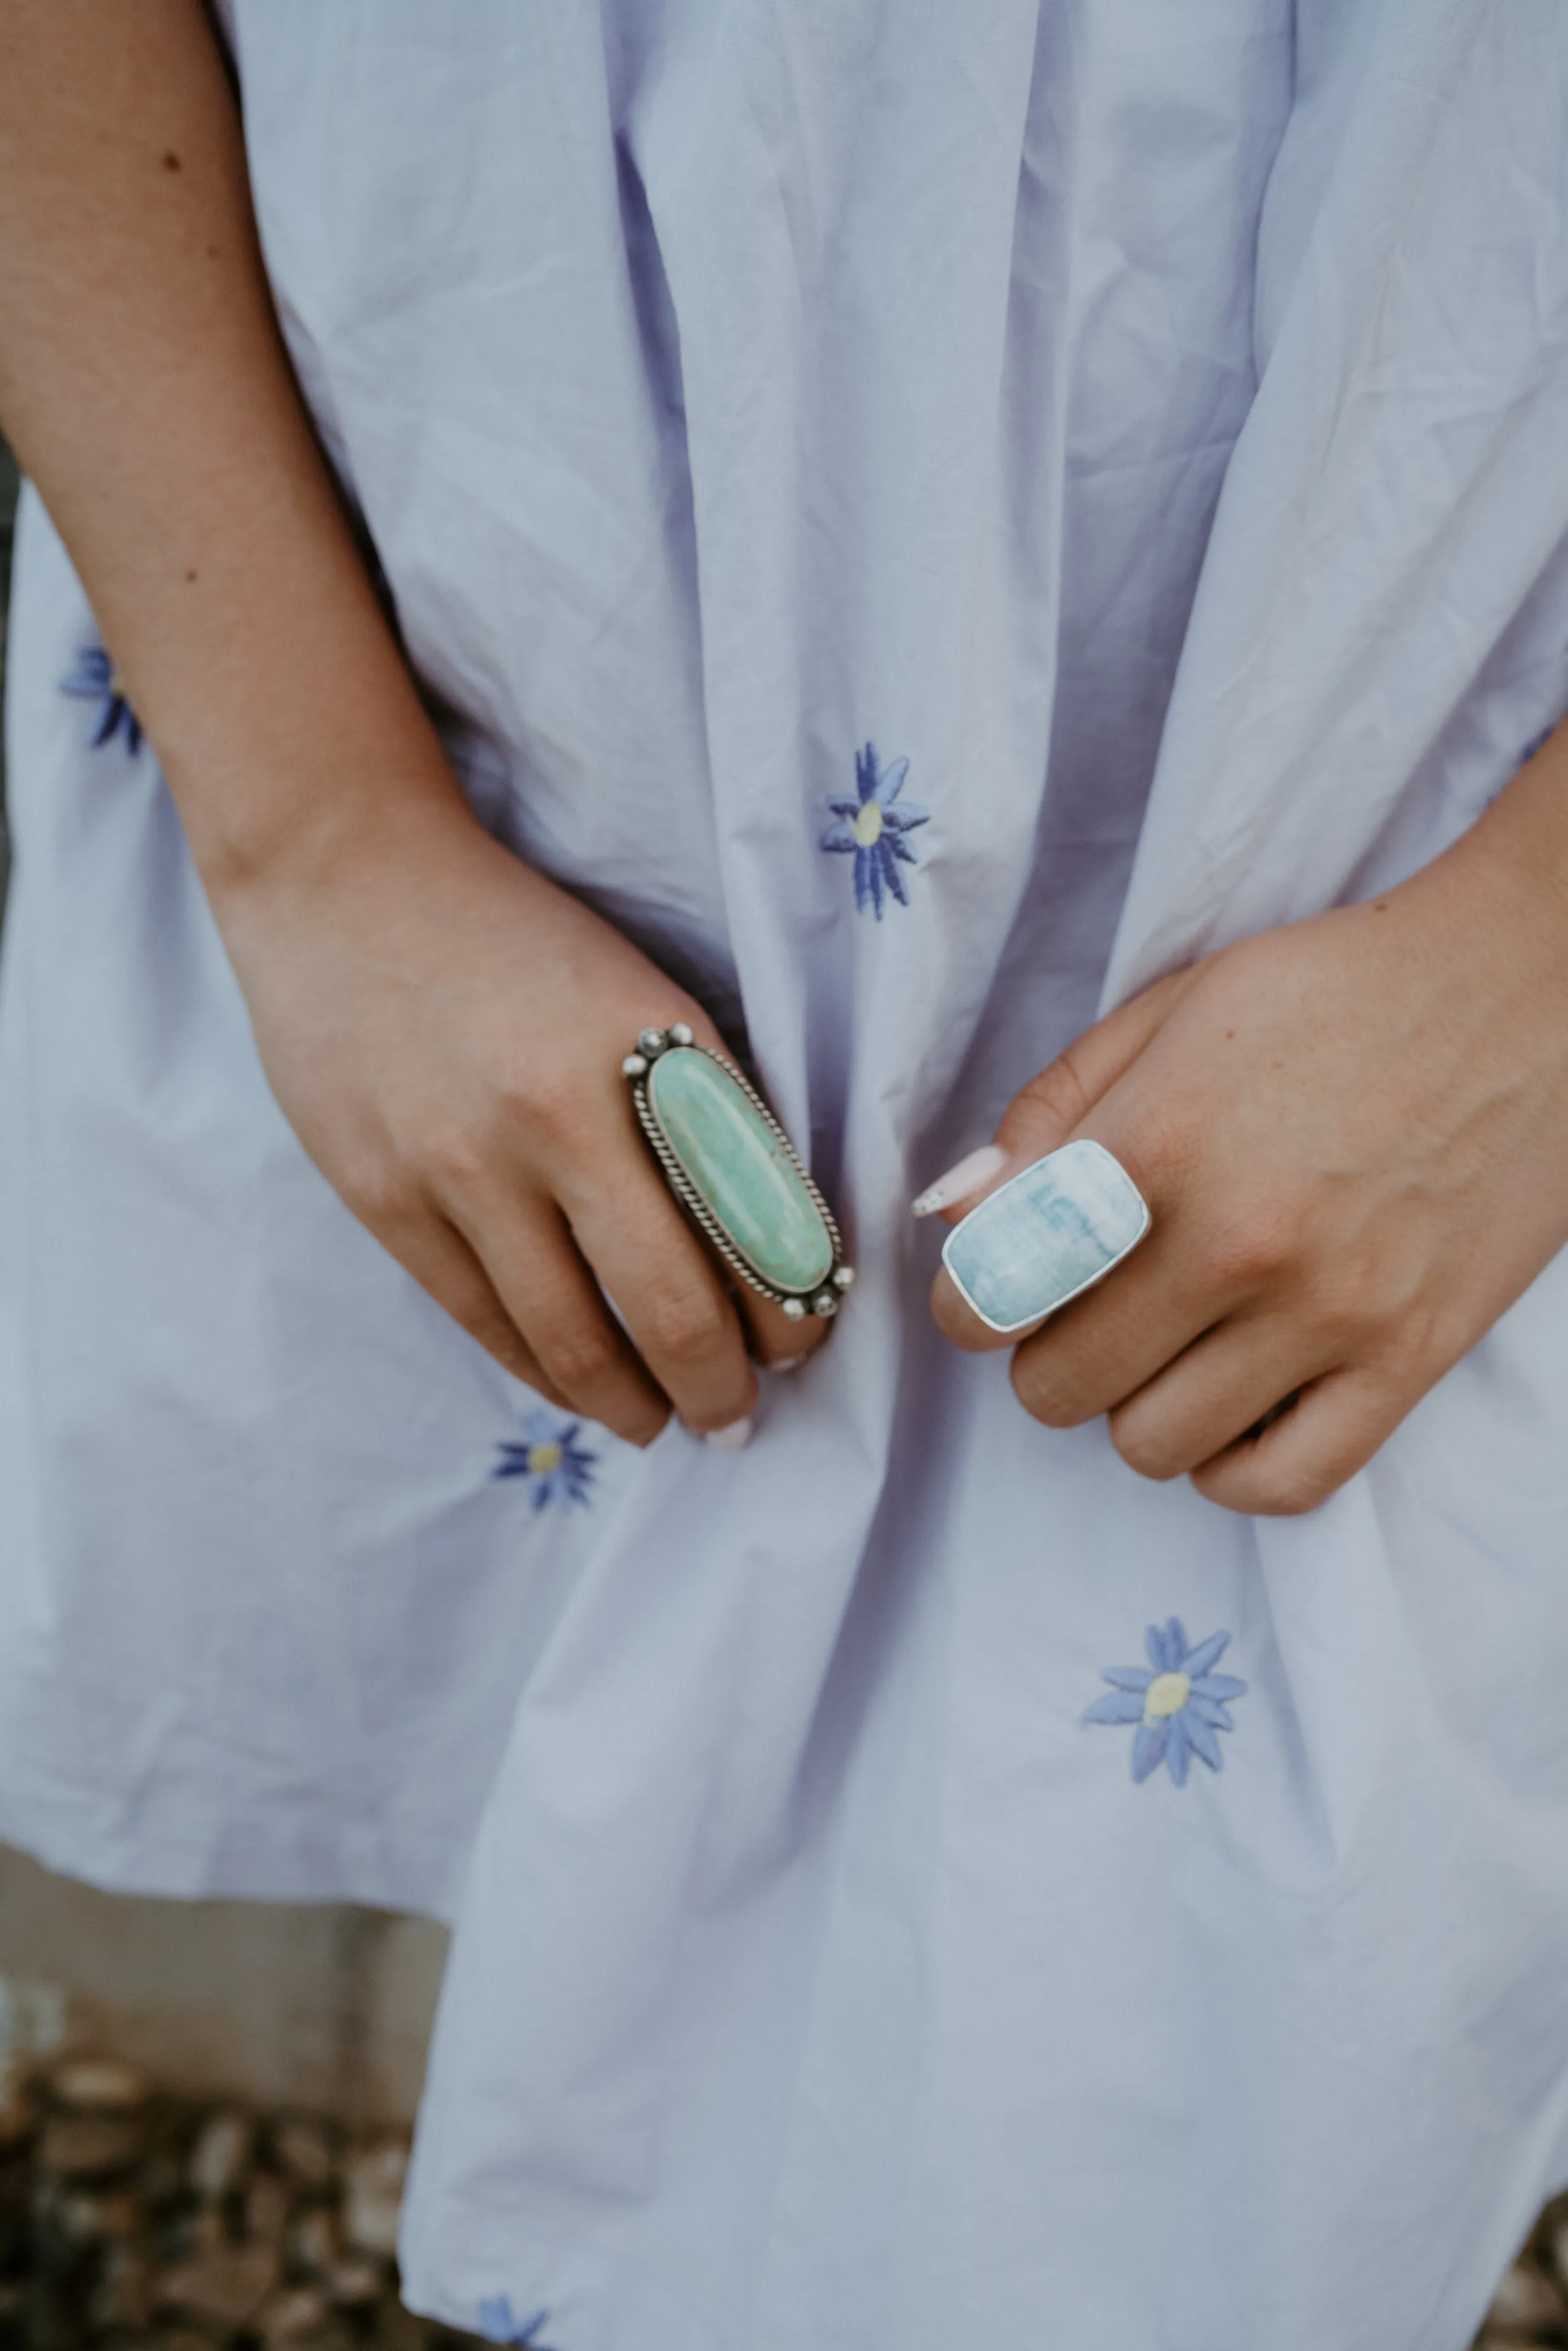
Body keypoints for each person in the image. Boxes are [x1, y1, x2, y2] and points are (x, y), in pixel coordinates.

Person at [3, 3, 1567, 2344]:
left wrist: (1535, 958)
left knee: (1139, 2108)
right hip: (429, 654)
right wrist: (319, 826)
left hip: (1382, 819)